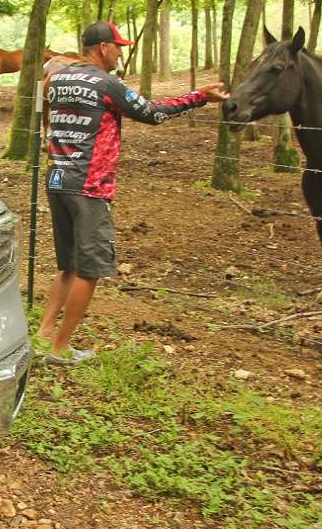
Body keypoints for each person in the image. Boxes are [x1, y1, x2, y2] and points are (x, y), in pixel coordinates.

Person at [37, 21, 227, 364]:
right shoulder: (107, 83)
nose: (120, 53)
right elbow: (152, 114)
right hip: (90, 186)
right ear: (102, 47)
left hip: (58, 180)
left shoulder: (59, 78)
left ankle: (45, 332)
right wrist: (200, 97)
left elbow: (47, 121)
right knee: (89, 269)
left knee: (68, 265)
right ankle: (61, 348)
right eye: (118, 47)